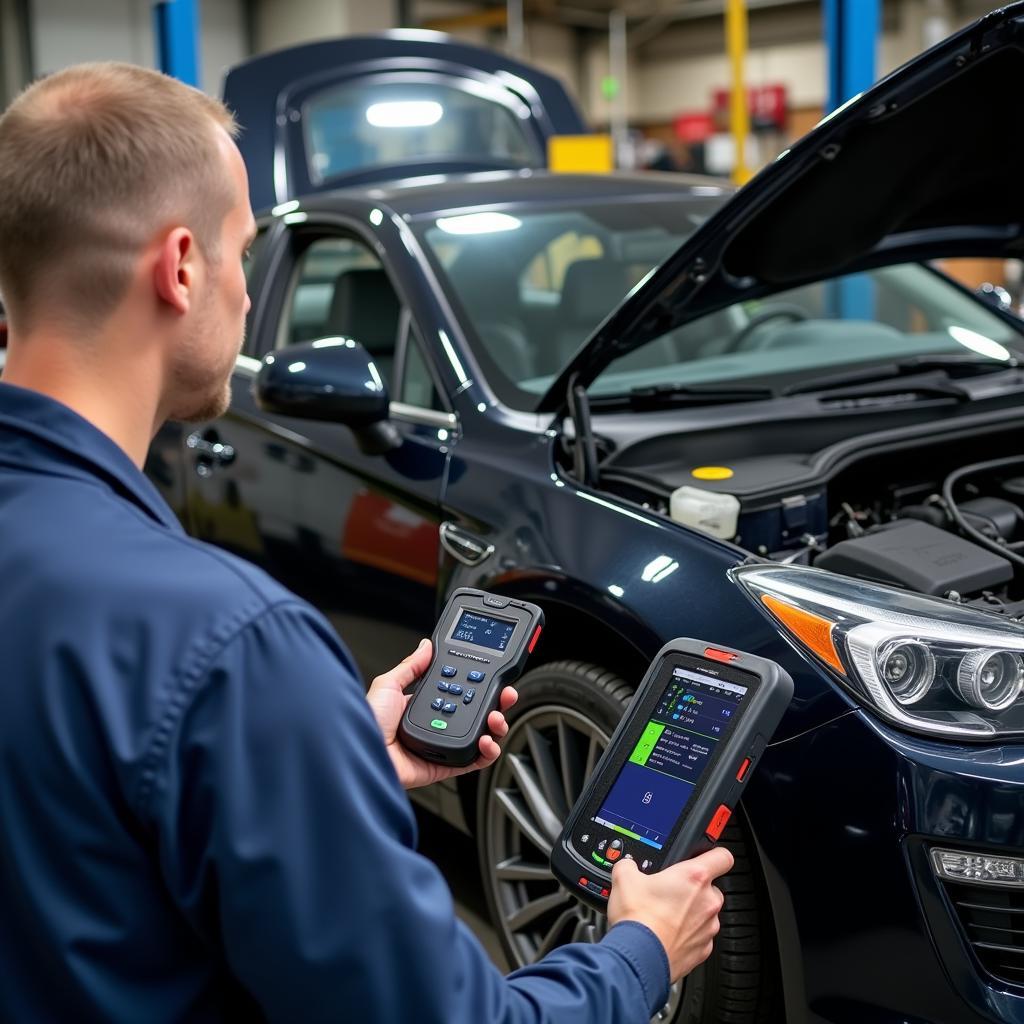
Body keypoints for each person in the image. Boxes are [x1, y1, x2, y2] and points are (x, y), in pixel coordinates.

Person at [0, 63, 733, 1023]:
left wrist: (318, 769)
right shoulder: (232, 646)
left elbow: (75, 825)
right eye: (241, 254)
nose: (249, 296)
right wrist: (641, 951)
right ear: (180, 268)